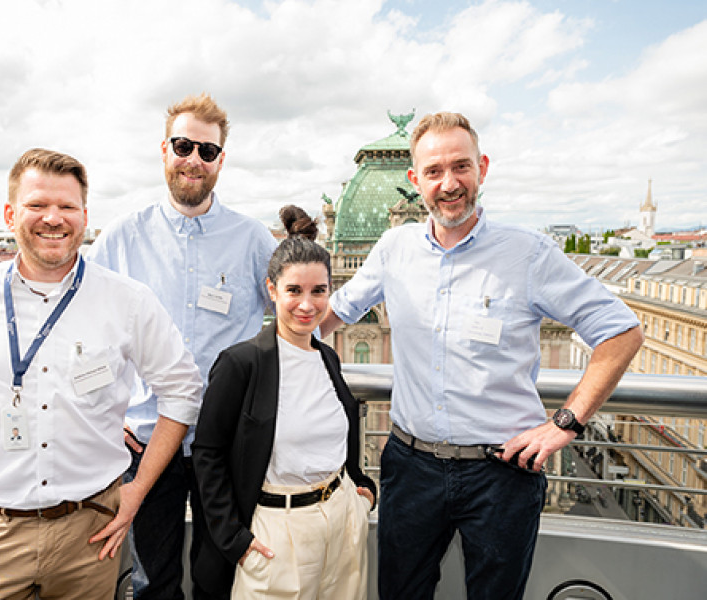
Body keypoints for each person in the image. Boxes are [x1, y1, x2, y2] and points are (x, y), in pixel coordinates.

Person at [321, 112, 644, 599]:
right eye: (434, 171)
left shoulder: (528, 253)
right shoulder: (393, 248)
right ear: (415, 180)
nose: (449, 183)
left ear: (482, 168)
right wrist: (261, 357)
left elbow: (621, 331)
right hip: (411, 467)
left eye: (461, 166)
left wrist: (566, 423)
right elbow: (329, 315)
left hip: (502, 474)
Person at [0, 148, 202, 599]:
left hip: (92, 532)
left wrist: (137, 492)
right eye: (37, 205)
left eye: (67, 206)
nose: (53, 218)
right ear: (10, 214)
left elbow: (183, 390)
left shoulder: (128, 301)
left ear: (85, 217)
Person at [87, 93, 277, 599]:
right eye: (183, 146)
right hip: (145, 439)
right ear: (164, 150)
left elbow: (299, 320)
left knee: (222, 579)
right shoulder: (122, 238)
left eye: (207, 151)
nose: (194, 159)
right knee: (153, 582)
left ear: (220, 161)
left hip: (226, 439)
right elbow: (80, 332)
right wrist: (103, 412)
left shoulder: (253, 239)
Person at [192, 206, 377, 600]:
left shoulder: (328, 358)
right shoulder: (240, 363)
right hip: (275, 531)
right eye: (294, 291)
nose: (307, 305)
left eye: (318, 291)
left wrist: (361, 487)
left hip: (342, 522)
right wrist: (233, 539)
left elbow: (338, 435)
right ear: (272, 290)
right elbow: (207, 453)